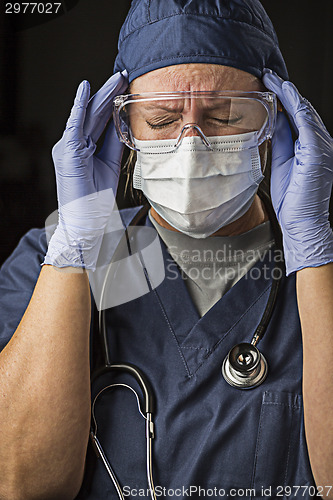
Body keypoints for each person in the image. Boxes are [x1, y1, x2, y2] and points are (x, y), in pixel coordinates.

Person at [0, 1, 333, 499]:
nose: (191, 144)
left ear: (274, 124)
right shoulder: (43, 264)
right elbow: (22, 485)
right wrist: (74, 249)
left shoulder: (319, 276)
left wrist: (313, 251)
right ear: (124, 133)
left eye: (224, 116)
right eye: (160, 121)